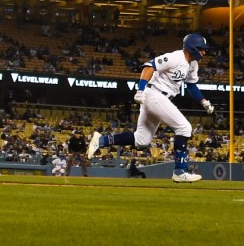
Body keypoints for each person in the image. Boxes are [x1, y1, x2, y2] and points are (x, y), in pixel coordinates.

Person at [88, 32, 213, 182]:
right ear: (192, 47)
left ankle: (101, 141)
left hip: (160, 97)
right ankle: (180, 171)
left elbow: (191, 86)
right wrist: (140, 90)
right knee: (184, 128)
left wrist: (203, 101)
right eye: (201, 48)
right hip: (154, 94)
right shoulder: (175, 57)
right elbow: (149, 66)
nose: (204, 52)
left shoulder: (193, 64)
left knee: (142, 139)